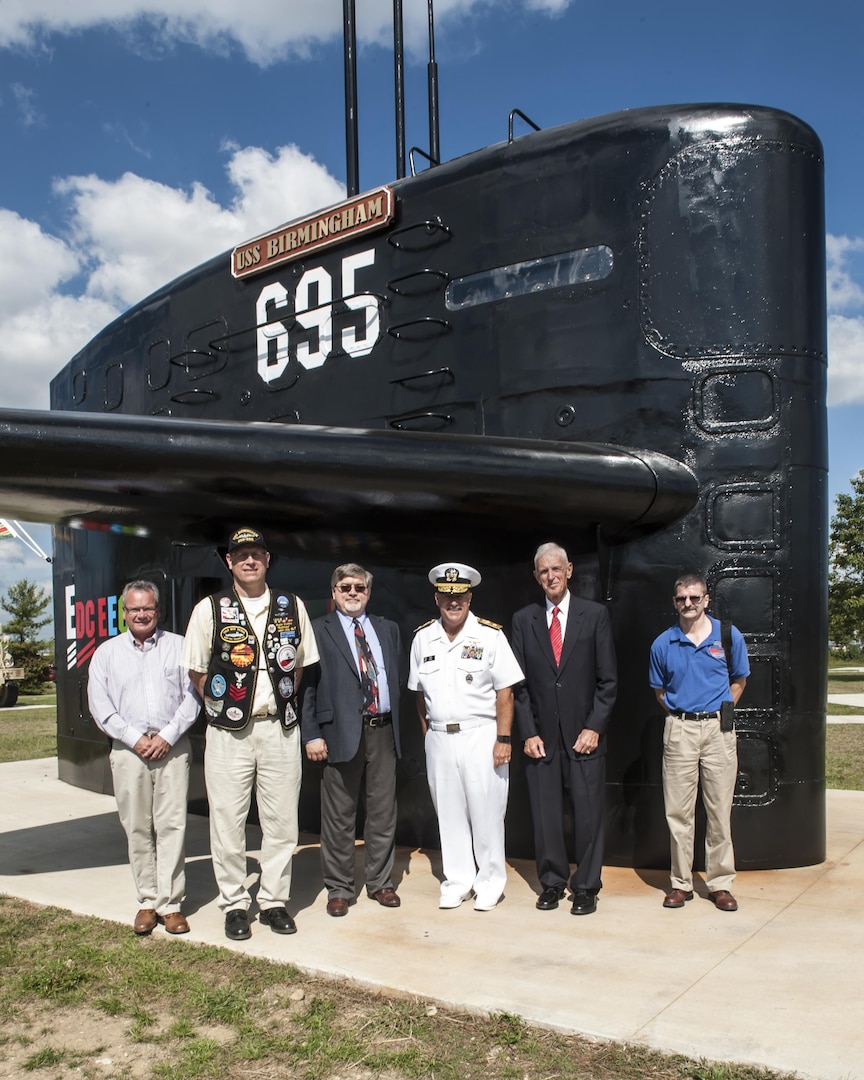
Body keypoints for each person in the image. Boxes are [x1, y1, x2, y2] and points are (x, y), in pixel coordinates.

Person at [182, 527, 319, 940]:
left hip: (279, 728)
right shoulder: (210, 608)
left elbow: (299, 664)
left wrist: (279, 699)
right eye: (241, 554)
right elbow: (196, 668)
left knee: (281, 822)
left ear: (267, 559)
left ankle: (274, 901)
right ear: (229, 561)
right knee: (228, 820)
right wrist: (223, 706)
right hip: (229, 732)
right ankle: (235, 904)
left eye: (256, 553)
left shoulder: (290, 606)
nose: (249, 560)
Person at [408, 563, 524, 911]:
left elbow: (506, 692)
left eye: (459, 596)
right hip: (441, 738)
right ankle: (458, 880)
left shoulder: (490, 636)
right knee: (449, 812)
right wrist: (429, 734)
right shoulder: (422, 638)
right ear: (436, 597)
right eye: (446, 596)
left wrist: (503, 739)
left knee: (487, 811)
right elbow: (419, 694)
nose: (453, 602)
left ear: (470, 597)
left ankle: (490, 881)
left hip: (481, 735)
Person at [87, 579, 200, 936]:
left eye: (147, 608)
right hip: (128, 751)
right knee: (136, 827)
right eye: (134, 609)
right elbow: (100, 705)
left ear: (158, 611)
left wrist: (166, 736)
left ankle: (171, 905)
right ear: (124, 613)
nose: (141, 614)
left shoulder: (179, 648)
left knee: (172, 826)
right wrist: (135, 739)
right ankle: (147, 902)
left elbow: (193, 698)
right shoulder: (106, 653)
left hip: (172, 746)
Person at [511, 542, 617, 916]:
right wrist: (528, 732)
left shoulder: (595, 616)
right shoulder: (523, 620)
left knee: (588, 816)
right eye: (544, 571)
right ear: (536, 576)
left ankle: (586, 886)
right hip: (542, 739)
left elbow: (608, 681)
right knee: (546, 816)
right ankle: (552, 883)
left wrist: (594, 727)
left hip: (584, 737)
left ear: (569, 570)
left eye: (557, 569)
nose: (551, 576)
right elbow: (518, 685)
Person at [301, 563, 403, 917]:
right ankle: (340, 888)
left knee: (383, 812)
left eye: (359, 587)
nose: (352, 593)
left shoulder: (387, 629)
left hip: (383, 730)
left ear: (369, 592)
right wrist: (311, 733)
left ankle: (380, 883)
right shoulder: (317, 630)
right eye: (345, 587)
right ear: (334, 592)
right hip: (339, 733)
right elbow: (307, 687)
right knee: (339, 816)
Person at [649, 572, 749, 912]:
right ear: (674, 602)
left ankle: (720, 884)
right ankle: (681, 884)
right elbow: (660, 691)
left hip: (718, 732)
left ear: (706, 599)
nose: (688, 604)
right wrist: (684, 714)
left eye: (694, 598)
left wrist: (720, 711)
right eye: (681, 599)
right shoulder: (663, 643)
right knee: (678, 812)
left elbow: (739, 679)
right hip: (680, 730)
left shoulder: (728, 636)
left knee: (719, 810)